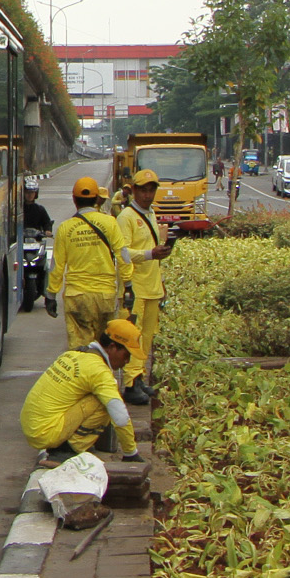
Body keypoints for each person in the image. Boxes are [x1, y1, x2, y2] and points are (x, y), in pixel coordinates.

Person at [20, 317, 144, 465]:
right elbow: (121, 417)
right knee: (105, 401)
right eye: (126, 355)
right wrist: (130, 453)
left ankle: (68, 444)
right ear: (112, 347)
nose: (127, 361)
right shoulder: (98, 371)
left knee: (100, 393)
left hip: (32, 426)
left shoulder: (75, 354)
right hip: (46, 432)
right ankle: (67, 451)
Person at [45, 176, 131, 350]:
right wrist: (128, 285)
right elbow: (123, 255)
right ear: (96, 198)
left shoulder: (65, 228)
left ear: (74, 200)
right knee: (104, 349)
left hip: (77, 298)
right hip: (105, 297)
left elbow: (56, 266)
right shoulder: (110, 223)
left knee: (80, 350)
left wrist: (51, 295)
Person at [115, 171, 174, 404]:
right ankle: (130, 384)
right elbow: (122, 253)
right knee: (132, 336)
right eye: (143, 190)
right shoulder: (126, 217)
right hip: (135, 288)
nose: (148, 195)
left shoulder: (151, 214)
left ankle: (138, 377)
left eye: (151, 190)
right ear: (134, 191)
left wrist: (160, 277)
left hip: (152, 286)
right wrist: (150, 254)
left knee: (147, 337)